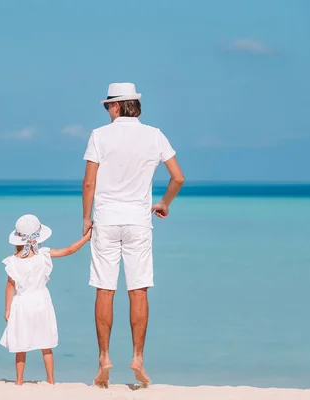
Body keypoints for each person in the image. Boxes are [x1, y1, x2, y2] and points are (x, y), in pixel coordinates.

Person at [82, 82, 185, 387]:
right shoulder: (155, 135)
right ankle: (138, 357)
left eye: (106, 106)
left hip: (107, 220)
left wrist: (86, 218)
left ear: (116, 105)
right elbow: (178, 177)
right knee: (138, 289)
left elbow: (89, 183)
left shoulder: (99, 136)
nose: (106, 111)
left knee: (105, 288)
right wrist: (164, 204)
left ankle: (104, 357)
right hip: (139, 222)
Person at [0, 214, 92, 385]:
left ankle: (19, 381)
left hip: (21, 304)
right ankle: (50, 380)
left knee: (21, 346)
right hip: (41, 301)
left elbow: (10, 286)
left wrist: (7, 309)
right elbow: (69, 250)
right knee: (45, 343)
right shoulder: (43, 255)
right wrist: (87, 237)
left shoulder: (12, 262)